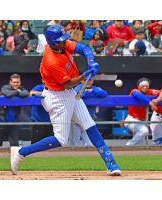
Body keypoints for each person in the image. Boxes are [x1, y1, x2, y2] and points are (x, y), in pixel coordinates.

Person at [10, 24, 121, 176]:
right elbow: (68, 82)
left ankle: (111, 163)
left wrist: (91, 61)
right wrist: (84, 76)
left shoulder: (60, 45)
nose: (65, 41)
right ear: (53, 42)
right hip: (57, 97)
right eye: (62, 40)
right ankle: (21, 152)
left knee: (90, 126)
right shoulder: (51, 61)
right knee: (61, 139)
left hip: (69, 93)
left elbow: (83, 49)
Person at [121, 78, 160, 146]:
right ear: (139, 86)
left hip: (142, 121)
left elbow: (160, 92)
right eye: (143, 85)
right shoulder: (135, 90)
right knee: (144, 131)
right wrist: (150, 102)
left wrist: (157, 99)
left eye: (147, 86)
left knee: (141, 145)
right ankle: (128, 146)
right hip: (132, 119)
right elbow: (137, 95)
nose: (145, 87)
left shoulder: (149, 91)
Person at [69, 80, 108, 147]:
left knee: (89, 142)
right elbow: (76, 95)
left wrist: (92, 91)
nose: (88, 81)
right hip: (76, 117)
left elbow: (104, 93)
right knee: (74, 142)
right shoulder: (78, 87)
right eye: (86, 80)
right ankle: (71, 154)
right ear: (82, 81)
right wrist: (87, 93)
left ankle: (87, 154)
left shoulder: (95, 88)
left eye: (90, 80)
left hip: (88, 118)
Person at [0, 74, 29, 147]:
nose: (16, 84)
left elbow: (26, 93)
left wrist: (16, 92)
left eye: (17, 82)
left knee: (15, 145)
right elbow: (7, 94)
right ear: (10, 82)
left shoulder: (21, 88)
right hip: (1, 122)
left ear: (20, 82)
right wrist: (17, 92)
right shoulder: (5, 87)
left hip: (13, 123)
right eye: (14, 82)